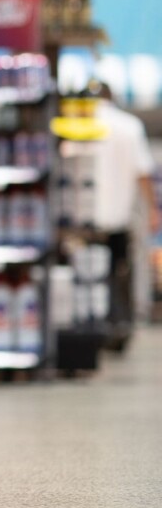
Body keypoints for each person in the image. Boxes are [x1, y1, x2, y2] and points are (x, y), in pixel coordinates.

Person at [91, 81, 159, 342]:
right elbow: (143, 173)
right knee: (119, 271)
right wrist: (153, 210)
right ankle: (119, 323)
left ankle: (95, 323)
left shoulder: (78, 124)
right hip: (118, 217)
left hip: (82, 219)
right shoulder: (129, 126)